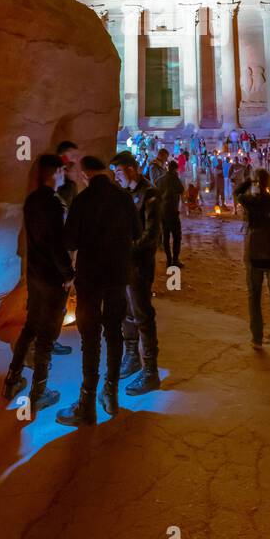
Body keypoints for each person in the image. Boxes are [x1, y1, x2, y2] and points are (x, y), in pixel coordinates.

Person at [56, 157, 141, 425]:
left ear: (85, 176)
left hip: (90, 278)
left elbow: (69, 240)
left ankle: (87, 402)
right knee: (114, 333)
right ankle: (111, 395)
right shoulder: (124, 198)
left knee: (89, 339)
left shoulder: (83, 200)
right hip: (117, 276)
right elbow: (137, 232)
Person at [2, 154, 74, 412]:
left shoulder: (32, 201)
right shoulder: (55, 204)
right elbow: (57, 244)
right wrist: (68, 274)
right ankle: (39, 391)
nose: (65, 174)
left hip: (35, 275)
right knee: (46, 336)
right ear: (54, 173)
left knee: (30, 326)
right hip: (53, 278)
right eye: (62, 170)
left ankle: (12, 380)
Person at [112, 150, 163, 392]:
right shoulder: (123, 194)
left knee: (142, 314)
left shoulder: (150, 194)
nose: (116, 177)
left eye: (119, 172)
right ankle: (131, 356)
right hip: (123, 264)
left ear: (131, 169)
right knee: (126, 312)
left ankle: (151, 371)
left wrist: (125, 249)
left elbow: (151, 235)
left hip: (140, 265)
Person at [234, 170, 270, 354]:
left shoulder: (252, 202)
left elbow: (237, 193)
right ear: (268, 183)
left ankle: (257, 338)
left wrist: (249, 181)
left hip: (255, 255)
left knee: (255, 297)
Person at [158, 159, 185, 268]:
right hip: (172, 212)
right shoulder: (174, 178)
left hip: (162, 212)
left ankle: (169, 260)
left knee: (166, 236)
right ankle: (175, 260)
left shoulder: (160, 180)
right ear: (175, 169)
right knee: (177, 237)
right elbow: (181, 190)